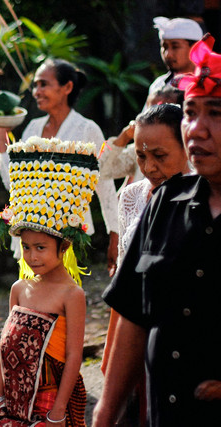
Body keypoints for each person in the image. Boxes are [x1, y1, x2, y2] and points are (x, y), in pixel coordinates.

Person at [93, 34, 221, 426]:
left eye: (215, 113)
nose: (197, 129)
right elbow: (133, 316)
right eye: (191, 112)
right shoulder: (164, 203)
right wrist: (104, 414)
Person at [0, 136, 95, 426]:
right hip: (11, 399)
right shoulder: (19, 289)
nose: (32, 257)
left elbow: (73, 356)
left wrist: (58, 411)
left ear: (65, 246)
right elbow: (6, 347)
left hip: (50, 398)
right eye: (26, 247)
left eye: (41, 248)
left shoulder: (71, 295)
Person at [99, 103, 190, 426]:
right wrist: (113, 351)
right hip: (135, 332)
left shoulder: (205, 201)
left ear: (187, 147)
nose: (149, 167)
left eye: (160, 156)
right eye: (141, 156)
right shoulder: (133, 197)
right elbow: (126, 284)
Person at [0, 58, 119, 274]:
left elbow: (105, 186)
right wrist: (1, 130)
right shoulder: (33, 127)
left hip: (67, 233)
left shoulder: (87, 129)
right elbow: (13, 183)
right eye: (35, 85)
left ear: (67, 87)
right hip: (30, 231)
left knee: (63, 299)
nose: (36, 91)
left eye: (44, 84)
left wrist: (115, 237)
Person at [99, 85, 185, 187]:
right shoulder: (140, 150)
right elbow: (102, 171)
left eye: (159, 155)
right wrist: (124, 136)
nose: (148, 168)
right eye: (148, 112)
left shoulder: (195, 164)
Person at [146, 16, 202, 107]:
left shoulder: (213, 84)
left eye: (175, 46)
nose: (168, 54)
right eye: (164, 47)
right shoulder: (158, 85)